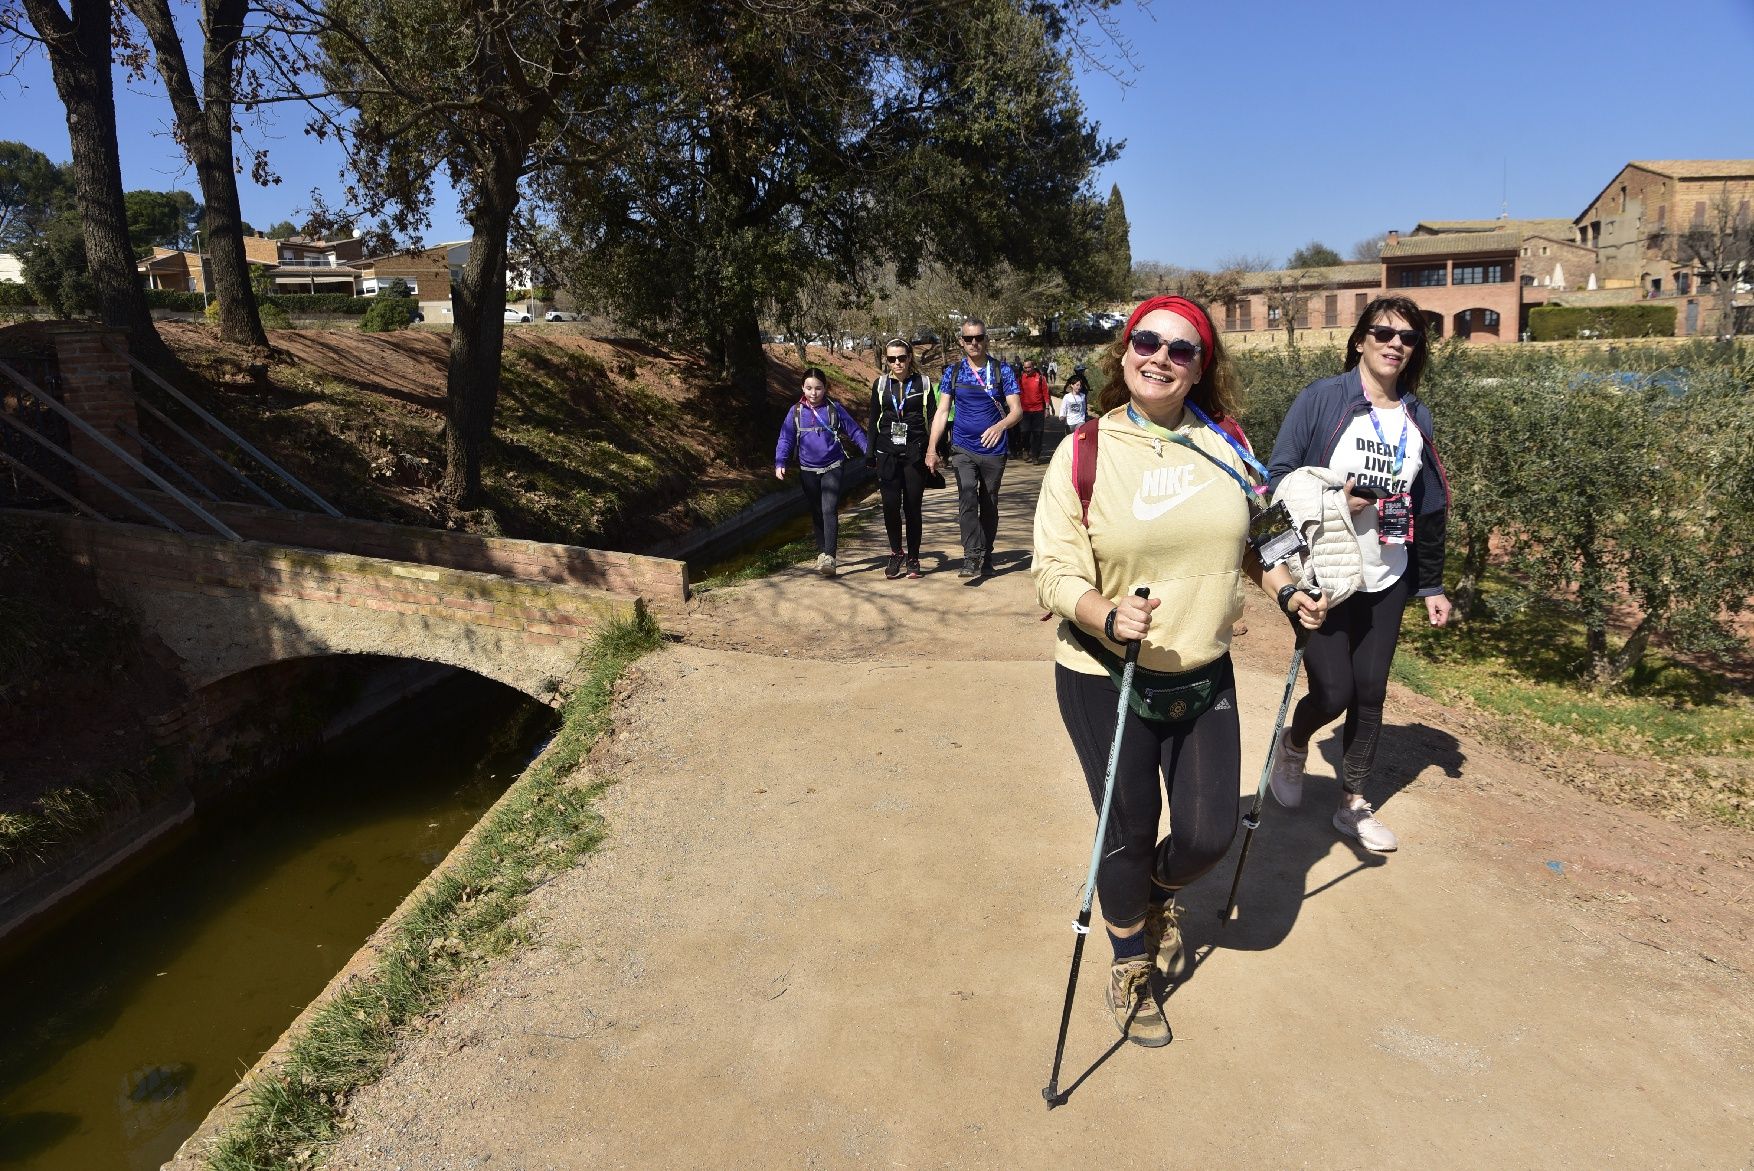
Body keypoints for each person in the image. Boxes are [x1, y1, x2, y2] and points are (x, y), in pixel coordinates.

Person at [1034, 295, 1328, 1047]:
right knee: (1128, 832)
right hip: (1107, 674)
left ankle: (1154, 895)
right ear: (1123, 351)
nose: (1160, 356)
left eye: (1181, 348)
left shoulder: (1227, 444)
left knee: (1207, 833)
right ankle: (1130, 957)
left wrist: (1288, 588)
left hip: (1200, 672)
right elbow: (1053, 570)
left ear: (1203, 366)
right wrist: (1103, 612)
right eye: (1146, 341)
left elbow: (1257, 542)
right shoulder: (1085, 450)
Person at [1265, 295, 1452, 852]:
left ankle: (1351, 803)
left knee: (1370, 692)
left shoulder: (1417, 415)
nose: (1396, 343)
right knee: (1334, 689)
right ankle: (1295, 742)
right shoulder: (1323, 399)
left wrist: (1432, 582)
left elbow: (1430, 501)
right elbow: (1278, 478)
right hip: (1326, 569)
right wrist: (1333, 505)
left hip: (1387, 571)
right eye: (1384, 333)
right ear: (1360, 340)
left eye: (1409, 337)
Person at [927, 317, 1022, 578]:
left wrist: (1000, 426)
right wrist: (931, 449)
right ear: (961, 341)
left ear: (986, 339)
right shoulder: (953, 372)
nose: (974, 343)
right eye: (968, 339)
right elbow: (942, 411)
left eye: (979, 338)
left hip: (994, 450)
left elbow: (1017, 411)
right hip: (963, 448)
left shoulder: (1002, 371)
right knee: (967, 494)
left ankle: (987, 553)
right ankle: (971, 556)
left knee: (988, 502)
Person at [775, 367, 868, 577]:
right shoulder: (795, 411)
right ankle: (822, 552)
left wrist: (868, 452)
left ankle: (830, 557)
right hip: (807, 468)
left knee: (829, 508)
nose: (813, 393)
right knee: (816, 510)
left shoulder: (835, 409)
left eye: (818, 388)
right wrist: (780, 461)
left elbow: (854, 431)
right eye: (808, 388)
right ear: (802, 388)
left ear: (825, 388)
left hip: (833, 465)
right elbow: (786, 438)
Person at [867, 339, 935, 579]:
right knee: (890, 507)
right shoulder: (880, 384)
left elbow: (934, 418)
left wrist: (935, 450)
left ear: (910, 358)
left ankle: (914, 557)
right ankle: (896, 552)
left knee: (913, 507)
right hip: (887, 453)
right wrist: (869, 452)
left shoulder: (923, 383)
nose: (897, 363)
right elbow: (874, 419)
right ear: (886, 360)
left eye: (902, 358)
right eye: (892, 359)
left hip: (915, 453)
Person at [1016, 358, 1052, 463]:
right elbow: (1016, 393)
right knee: (1024, 433)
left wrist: (1047, 408)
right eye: (1025, 367)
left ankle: (1035, 456)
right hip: (1025, 411)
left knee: (1038, 434)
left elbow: (1045, 393)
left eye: (1029, 367)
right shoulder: (1020, 378)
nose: (1027, 369)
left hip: (1038, 410)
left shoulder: (1040, 378)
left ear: (1033, 366)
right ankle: (1026, 450)